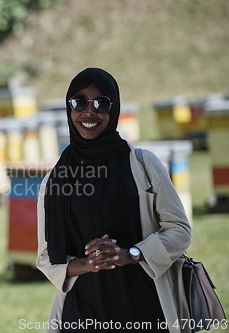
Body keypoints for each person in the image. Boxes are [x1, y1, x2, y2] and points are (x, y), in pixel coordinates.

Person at [36, 68, 192, 333]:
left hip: (145, 309)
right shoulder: (55, 180)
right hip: (82, 314)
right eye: (79, 102)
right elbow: (45, 257)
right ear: (69, 108)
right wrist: (88, 264)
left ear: (114, 108)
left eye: (101, 103)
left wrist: (130, 254)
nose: (89, 111)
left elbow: (180, 231)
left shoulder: (143, 164)